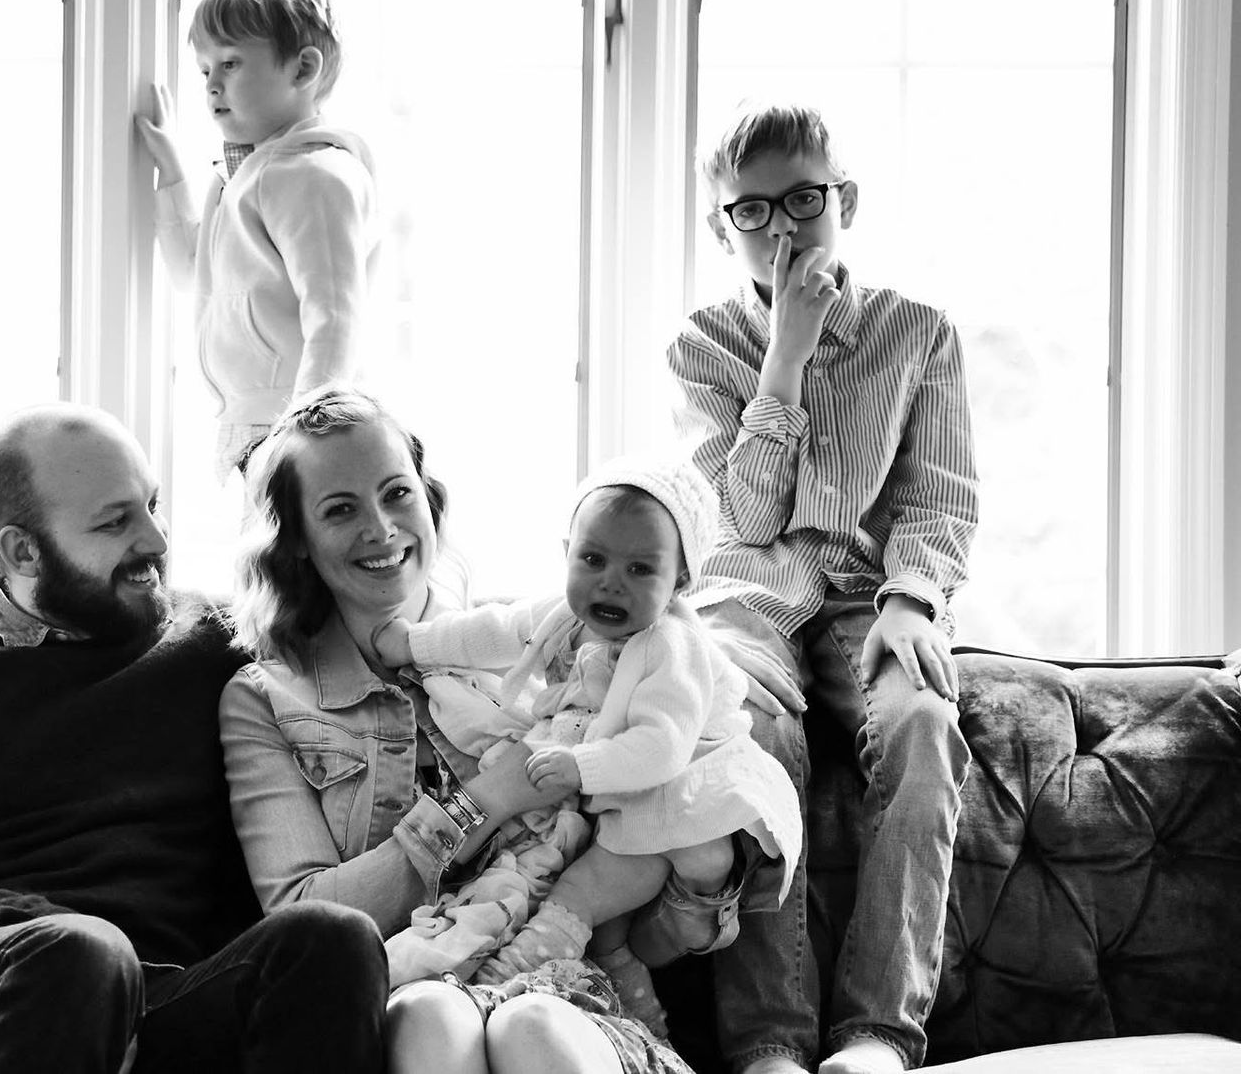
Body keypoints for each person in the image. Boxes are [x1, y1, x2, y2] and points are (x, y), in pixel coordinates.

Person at [0, 403, 387, 1074]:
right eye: (116, 521)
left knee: (331, 937)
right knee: (77, 955)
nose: (156, 539)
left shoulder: (216, 642)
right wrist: (60, 933)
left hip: (165, 1002)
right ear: (22, 550)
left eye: (152, 504)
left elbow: (380, 605)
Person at [220, 387, 693, 1074]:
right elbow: (305, 920)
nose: (381, 528)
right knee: (429, 1020)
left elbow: (662, 780)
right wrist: (483, 801)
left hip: (562, 983)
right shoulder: (267, 698)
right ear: (297, 541)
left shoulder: (536, 638)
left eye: (396, 493)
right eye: (341, 509)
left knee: (531, 1028)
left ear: (428, 496)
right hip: (409, 981)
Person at [668, 102, 979, 1074]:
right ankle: (769, 1038)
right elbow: (744, 519)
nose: (782, 227)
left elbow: (942, 494)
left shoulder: (919, 333)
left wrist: (912, 595)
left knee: (924, 723)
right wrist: (786, 355)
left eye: (803, 198)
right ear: (723, 227)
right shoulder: (700, 345)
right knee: (747, 735)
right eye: (751, 211)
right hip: (748, 592)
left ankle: (878, 1034)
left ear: (844, 199)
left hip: (868, 593)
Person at [368, 456, 801, 1039]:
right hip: (617, 790)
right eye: (593, 560)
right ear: (567, 551)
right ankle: (650, 1029)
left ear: (679, 585)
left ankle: (509, 973)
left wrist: (580, 766)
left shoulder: (672, 645)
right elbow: (491, 631)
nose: (610, 582)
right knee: (608, 940)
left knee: (579, 896)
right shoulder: (563, 616)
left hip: (676, 803)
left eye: (640, 569)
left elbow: (661, 747)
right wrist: (411, 644)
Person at [135, 0, 379, 481]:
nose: (211, 85)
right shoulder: (240, 179)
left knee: (290, 557)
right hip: (251, 420)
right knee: (262, 560)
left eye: (230, 63)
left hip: (297, 423)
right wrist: (173, 172)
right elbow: (191, 275)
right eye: (204, 69)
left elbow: (334, 316)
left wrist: (309, 436)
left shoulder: (315, 175)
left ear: (303, 69)